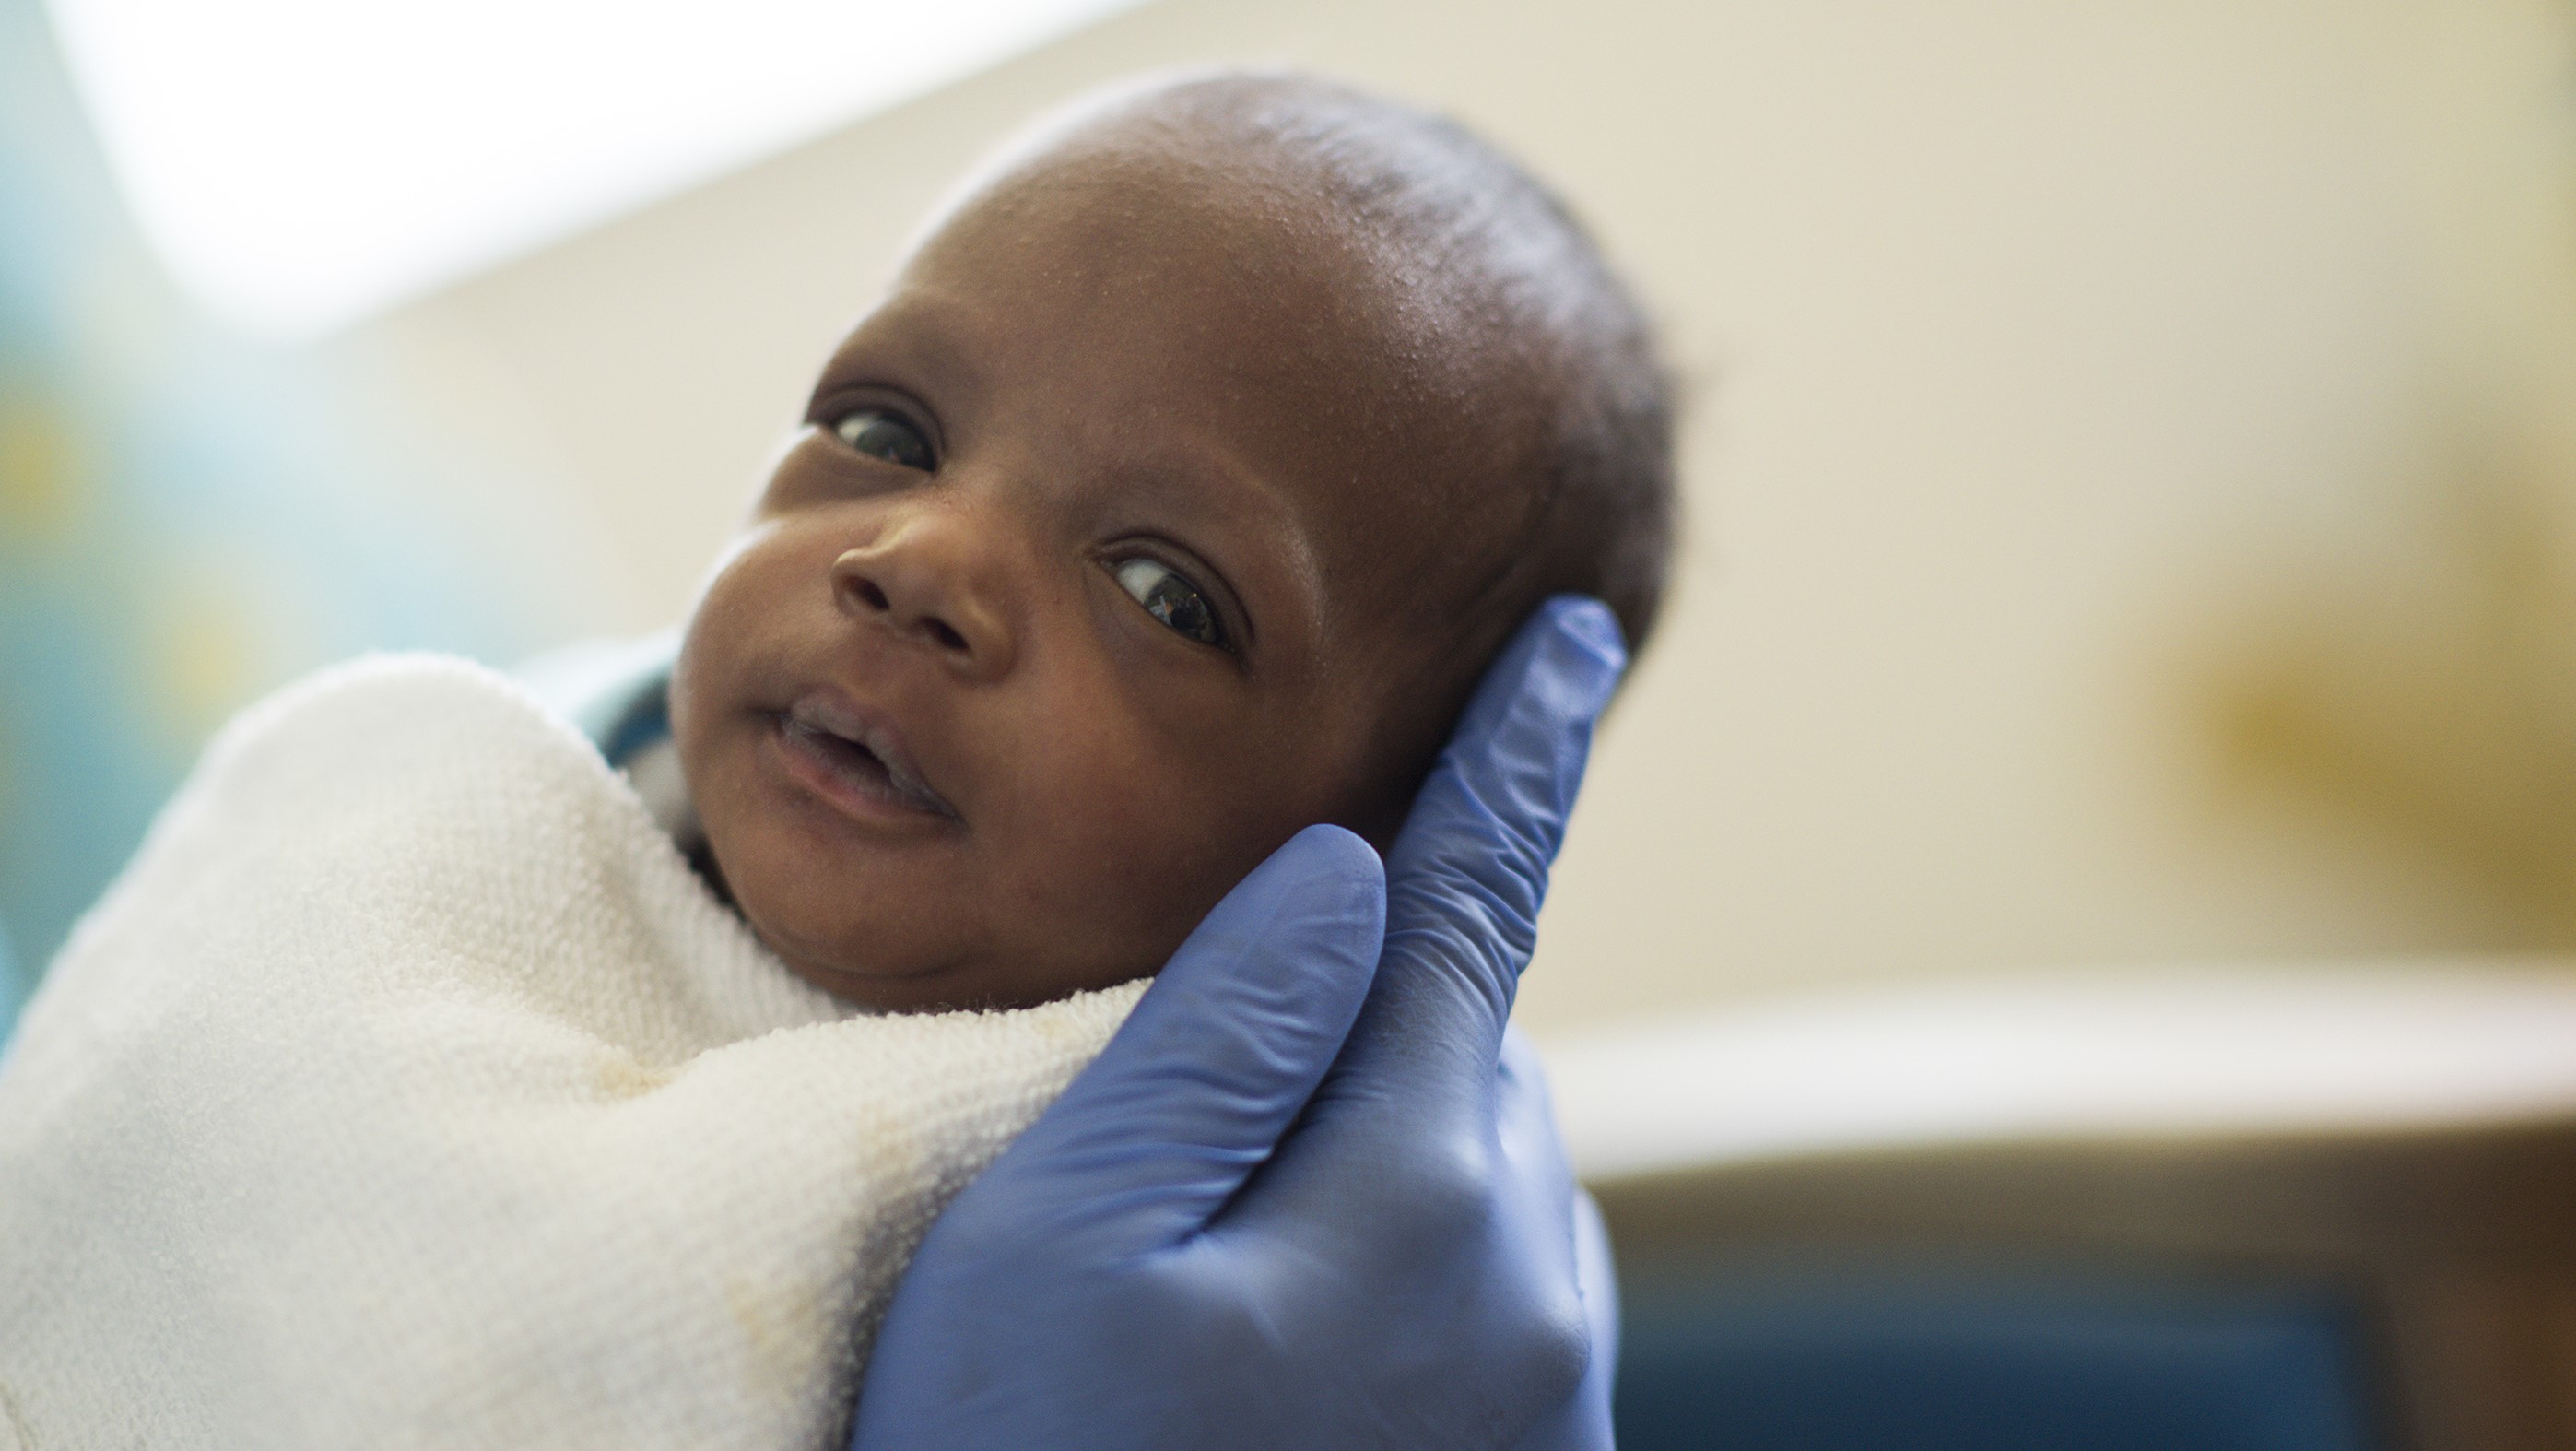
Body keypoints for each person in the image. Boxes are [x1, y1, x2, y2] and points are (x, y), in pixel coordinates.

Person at [0, 69, 1669, 1446]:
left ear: (1383, 848)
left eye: (1167, 593)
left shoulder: (1252, 1311)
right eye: (885, 433)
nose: (920, 558)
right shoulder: (470, 823)